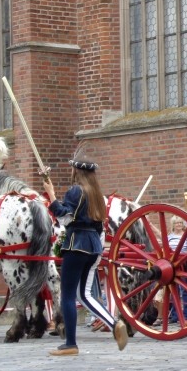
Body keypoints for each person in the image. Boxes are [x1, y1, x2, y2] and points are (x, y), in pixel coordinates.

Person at [44, 151, 128, 356]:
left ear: (77, 171)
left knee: (68, 294)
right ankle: (114, 324)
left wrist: (52, 195)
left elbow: (65, 218)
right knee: (84, 294)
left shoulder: (76, 191)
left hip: (76, 245)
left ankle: (70, 344)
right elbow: (99, 226)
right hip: (93, 246)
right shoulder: (96, 194)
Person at [167, 215, 187, 323]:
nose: (179, 225)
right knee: (174, 290)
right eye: (177, 223)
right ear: (173, 225)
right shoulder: (169, 237)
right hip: (172, 264)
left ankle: (186, 315)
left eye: (181, 223)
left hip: (184, 262)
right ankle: (176, 315)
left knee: (186, 290)